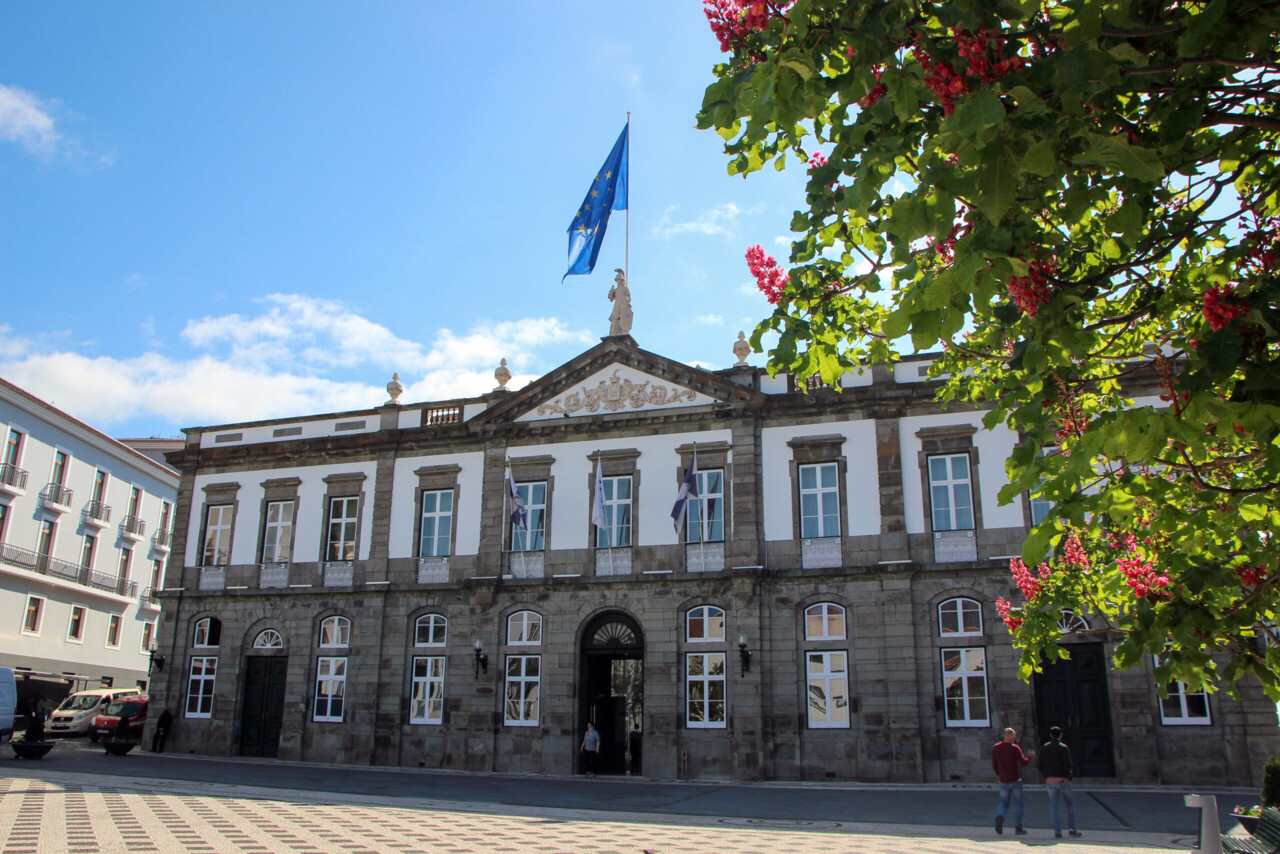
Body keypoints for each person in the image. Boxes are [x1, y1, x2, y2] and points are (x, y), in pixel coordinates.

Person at [1039, 725, 1082, 839]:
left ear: (1050, 735)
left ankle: (1057, 831)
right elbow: (1068, 764)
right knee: (1070, 804)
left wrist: (1046, 776)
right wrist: (1068, 777)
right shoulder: (1064, 748)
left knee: (1054, 806)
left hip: (1050, 781)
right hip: (1063, 780)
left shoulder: (1044, 748)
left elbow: (1040, 764)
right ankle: (1072, 829)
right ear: (1061, 736)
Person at [992, 726, 1036, 835]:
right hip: (1015, 779)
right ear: (1012, 737)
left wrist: (998, 774)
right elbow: (1023, 762)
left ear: (1004, 736)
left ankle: (1000, 816)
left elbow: (994, 764)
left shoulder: (996, 747)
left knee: (1003, 802)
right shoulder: (1015, 748)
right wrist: (1030, 756)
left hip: (1003, 779)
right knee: (1019, 804)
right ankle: (1018, 827)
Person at [608, 269, 633, 336]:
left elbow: (629, 298)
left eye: (619, 280)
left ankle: (622, 332)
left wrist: (627, 303)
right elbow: (611, 299)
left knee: (622, 318)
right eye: (617, 281)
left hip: (623, 304)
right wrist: (611, 292)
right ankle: (613, 334)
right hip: (617, 305)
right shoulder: (615, 290)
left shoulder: (625, 289)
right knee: (614, 319)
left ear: (622, 281)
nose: (618, 282)